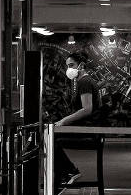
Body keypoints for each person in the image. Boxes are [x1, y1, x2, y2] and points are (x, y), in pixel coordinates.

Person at [52, 51, 98, 192]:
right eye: (67, 66)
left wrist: (64, 121)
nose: (69, 69)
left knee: (52, 139)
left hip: (87, 131)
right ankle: (65, 174)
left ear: (81, 65)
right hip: (86, 129)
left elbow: (87, 109)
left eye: (72, 65)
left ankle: (69, 172)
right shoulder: (82, 81)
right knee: (52, 137)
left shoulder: (84, 81)